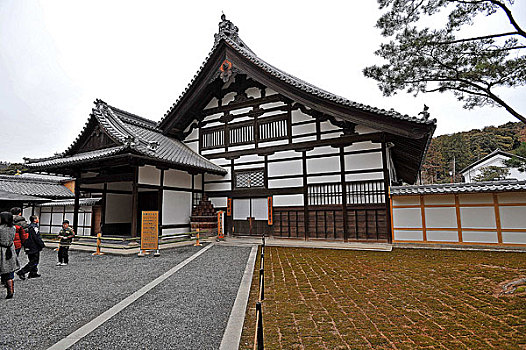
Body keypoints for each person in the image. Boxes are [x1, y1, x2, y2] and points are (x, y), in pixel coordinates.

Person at [17, 215, 45, 280]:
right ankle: (22, 272)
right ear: (35, 220)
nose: (38, 219)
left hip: (28, 245)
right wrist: (41, 244)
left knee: (32, 259)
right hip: (34, 246)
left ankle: (33, 273)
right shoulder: (34, 227)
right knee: (34, 260)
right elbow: (37, 237)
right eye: (37, 218)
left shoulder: (28, 226)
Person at [0, 212, 19, 299]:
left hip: (1, 250)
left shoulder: (0, 228)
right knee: (9, 271)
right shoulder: (13, 228)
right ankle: (10, 291)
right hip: (10, 250)